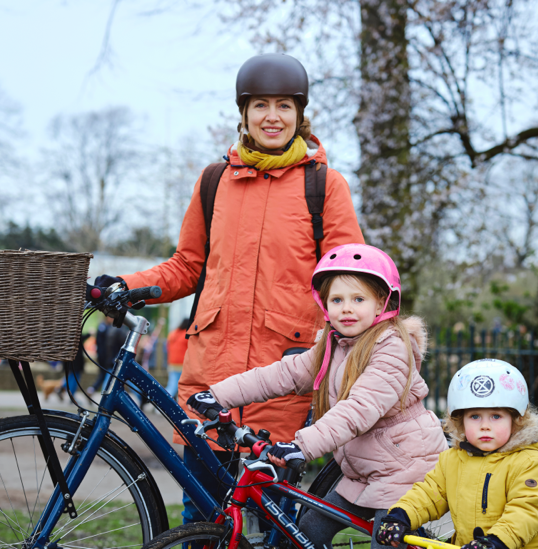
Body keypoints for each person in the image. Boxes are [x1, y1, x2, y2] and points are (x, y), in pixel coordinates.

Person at [95, 53, 364, 523]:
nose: (272, 117)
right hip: (210, 379)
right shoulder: (214, 181)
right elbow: (186, 266)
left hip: (284, 380)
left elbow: (351, 279)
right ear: (243, 113)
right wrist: (126, 285)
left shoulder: (324, 185)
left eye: (284, 105)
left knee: (274, 520)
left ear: (301, 114)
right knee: (199, 520)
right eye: (260, 105)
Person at [188, 244, 448, 547]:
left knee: (386, 541)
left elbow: (359, 409)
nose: (346, 308)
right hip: (364, 474)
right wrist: (218, 395)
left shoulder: (392, 349)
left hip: (405, 473)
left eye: (358, 299)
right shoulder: (334, 345)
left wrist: (302, 445)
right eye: (337, 299)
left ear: (381, 304)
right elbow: (283, 374)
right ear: (325, 305)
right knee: (308, 529)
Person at [376, 359, 538, 549]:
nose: (485, 426)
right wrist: (400, 516)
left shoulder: (529, 462)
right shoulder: (452, 460)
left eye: (496, 416)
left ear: (516, 419)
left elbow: (528, 510)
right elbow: (429, 494)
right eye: (475, 416)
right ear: (461, 421)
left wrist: (497, 541)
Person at [165, 318, 190, 397]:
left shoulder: (172, 333)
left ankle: (161, 401)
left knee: (172, 385)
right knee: (183, 387)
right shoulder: (187, 334)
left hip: (172, 363)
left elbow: (167, 348)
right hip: (182, 364)